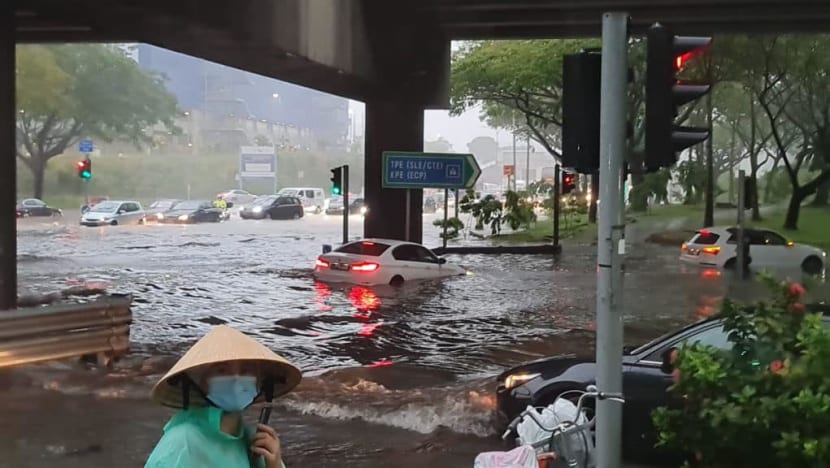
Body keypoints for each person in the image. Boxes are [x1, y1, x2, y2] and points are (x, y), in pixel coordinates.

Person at [145, 325, 302, 468]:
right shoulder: (182, 443)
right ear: (200, 382)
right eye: (222, 371)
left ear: (260, 382)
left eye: (246, 370)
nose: (236, 379)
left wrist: (274, 463)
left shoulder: (254, 441)